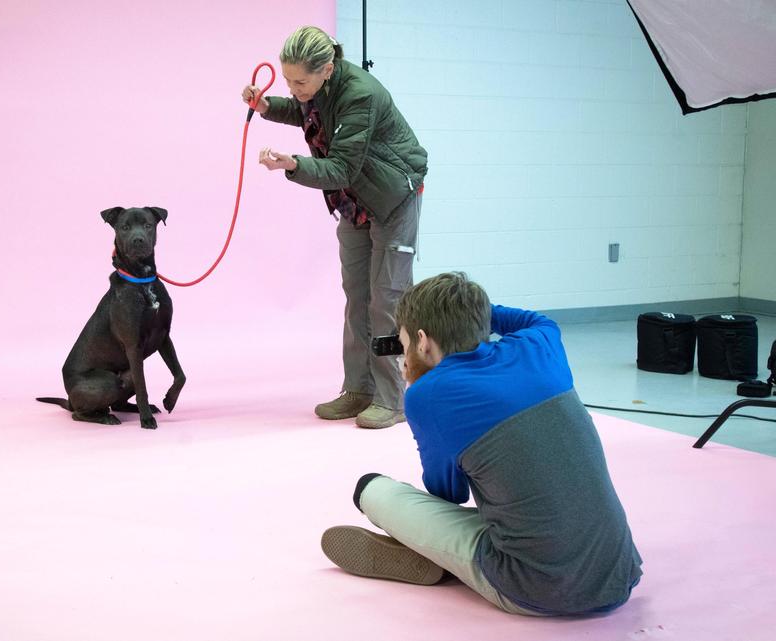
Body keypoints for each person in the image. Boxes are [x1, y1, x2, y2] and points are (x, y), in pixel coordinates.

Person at [319, 272, 643, 616]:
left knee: (372, 490)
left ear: (423, 340)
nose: (403, 355)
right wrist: (464, 312)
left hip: (535, 589)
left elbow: (448, 494)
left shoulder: (429, 395)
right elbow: (535, 319)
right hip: (619, 575)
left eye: (404, 343)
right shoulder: (541, 343)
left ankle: (444, 560)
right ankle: (449, 557)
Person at [243, 26, 427, 429]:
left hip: (392, 198)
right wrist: (267, 106)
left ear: (328, 69)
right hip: (355, 201)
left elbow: (342, 167)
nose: (293, 88)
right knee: (357, 297)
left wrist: (292, 164)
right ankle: (358, 390)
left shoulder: (360, 94)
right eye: (287, 79)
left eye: (299, 81)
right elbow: (306, 111)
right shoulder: (319, 89)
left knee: (387, 300)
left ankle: (392, 399)